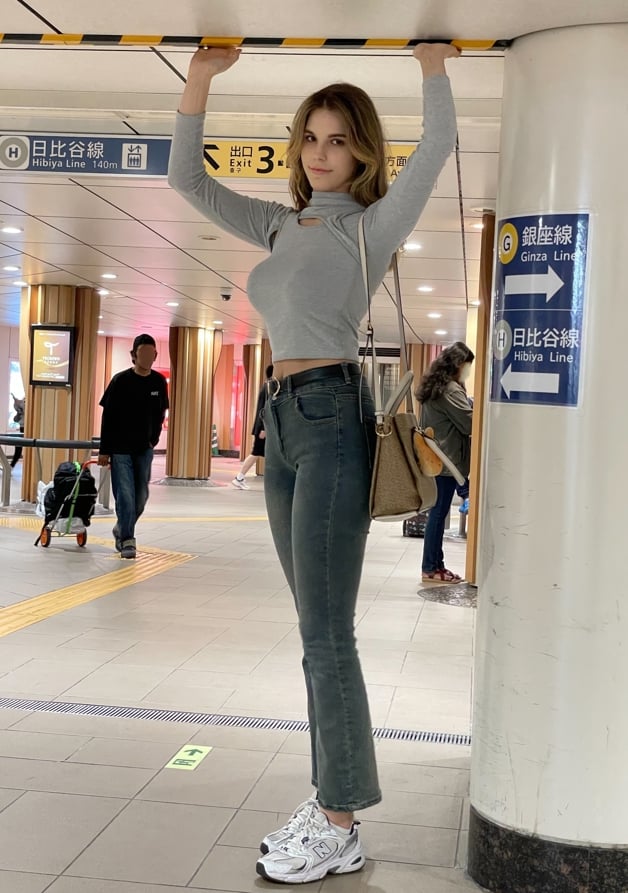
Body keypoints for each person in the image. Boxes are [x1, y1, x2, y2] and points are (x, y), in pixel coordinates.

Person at [168, 41, 458, 884]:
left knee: (328, 634)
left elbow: (438, 147)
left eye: (338, 140)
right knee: (313, 631)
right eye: (310, 137)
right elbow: (187, 180)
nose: (319, 153)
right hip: (283, 421)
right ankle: (333, 798)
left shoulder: (370, 226)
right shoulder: (277, 223)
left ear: (362, 152)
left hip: (332, 417)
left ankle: (339, 820)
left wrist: (433, 66)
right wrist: (199, 80)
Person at [97, 334, 169, 560]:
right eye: (143, 353)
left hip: (144, 449)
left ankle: (121, 528)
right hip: (120, 449)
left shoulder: (158, 382)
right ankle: (127, 539)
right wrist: (104, 450)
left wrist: (153, 439)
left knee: (140, 498)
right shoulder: (120, 381)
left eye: (151, 353)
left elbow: (161, 413)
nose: (147, 357)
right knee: (126, 495)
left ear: (155, 356)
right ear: (134, 355)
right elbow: (108, 417)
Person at [416, 341, 474, 584]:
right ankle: (431, 567)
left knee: (437, 515)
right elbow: (469, 424)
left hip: (436, 459)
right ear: (458, 364)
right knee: (438, 515)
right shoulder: (450, 390)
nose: (468, 371)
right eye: (467, 366)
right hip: (447, 461)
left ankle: (436, 565)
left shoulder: (435, 387)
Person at [232, 363, 274, 489]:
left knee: (259, 453)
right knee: (255, 453)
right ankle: (239, 478)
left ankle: (240, 478)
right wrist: (264, 428)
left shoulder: (267, 386)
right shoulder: (269, 387)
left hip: (262, 427)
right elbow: (264, 409)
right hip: (262, 429)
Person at [10, 394, 24, 468]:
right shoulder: (19, 409)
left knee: (19, 449)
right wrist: (19, 412)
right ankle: (11, 466)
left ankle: (11, 466)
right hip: (22, 429)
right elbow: (15, 419)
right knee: (18, 448)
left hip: (26, 428)